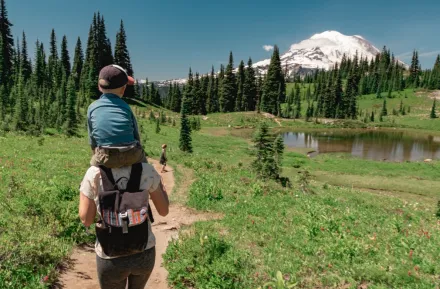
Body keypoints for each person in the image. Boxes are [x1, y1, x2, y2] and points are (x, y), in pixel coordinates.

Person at [79, 162, 169, 289]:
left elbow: (86, 220)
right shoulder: (146, 169)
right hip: (144, 249)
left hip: (110, 256)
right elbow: (164, 211)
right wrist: (162, 187)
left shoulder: (94, 173)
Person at [87, 64, 146, 168]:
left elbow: (92, 139)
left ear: (99, 86)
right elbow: (136, 134)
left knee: (91, 173)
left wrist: (95, 154)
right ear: (123, 89)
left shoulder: (92, 107)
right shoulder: (125, 106)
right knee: (146, 169)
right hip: (131, 154)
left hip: (105, 156)